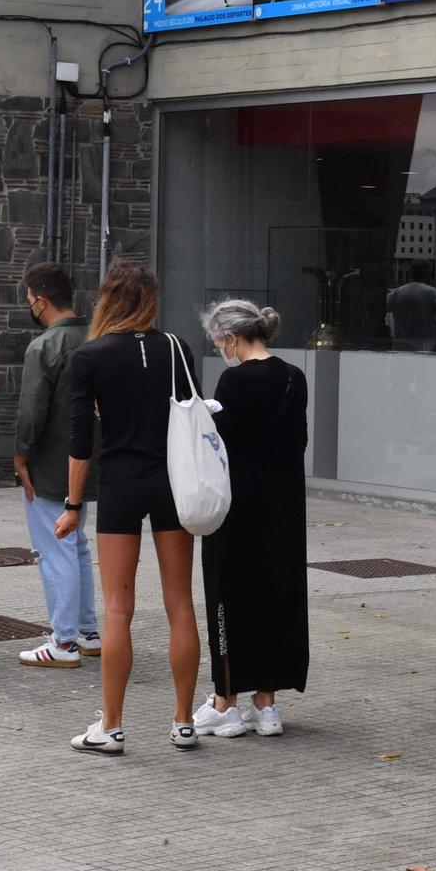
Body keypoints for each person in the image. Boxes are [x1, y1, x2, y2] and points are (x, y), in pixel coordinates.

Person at [62, 262, 203, 755]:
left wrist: (72, 504)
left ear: (107, 299)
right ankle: (184, 721)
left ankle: (112, 725)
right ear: (150, 299)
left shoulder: (90, 356)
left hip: (121, 484)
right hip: (173, 483)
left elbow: (81, 443)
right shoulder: (176, 349)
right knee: (180, 603)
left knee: (118, 609)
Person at [190, 300, 308, 739]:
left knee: (229, 595)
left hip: (237, 507)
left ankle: (226, 702)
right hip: (284, 507)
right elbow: (298, 440)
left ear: (232, 338)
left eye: (219, 342)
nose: (221, 349)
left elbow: (222, 443)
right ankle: (267, 704)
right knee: (276, 597)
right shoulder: (295, 377)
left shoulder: (234, 380)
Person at [13, 262, 100, 667]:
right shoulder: (97, 339)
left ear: (41, 301)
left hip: (50, 465)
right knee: (77, 545)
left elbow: (32, 413)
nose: (30, 307)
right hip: (92, 460)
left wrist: (20, 455)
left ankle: (63, 641)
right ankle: (86, 630)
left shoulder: (44, 347)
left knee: (56, 549)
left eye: (30, 300)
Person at [386, 260, 436, 347]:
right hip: (425, 346)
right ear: (428, 274)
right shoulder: (432, 292)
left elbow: (380, 311)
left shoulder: (396, 292)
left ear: (411, 273)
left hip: (400, 346)